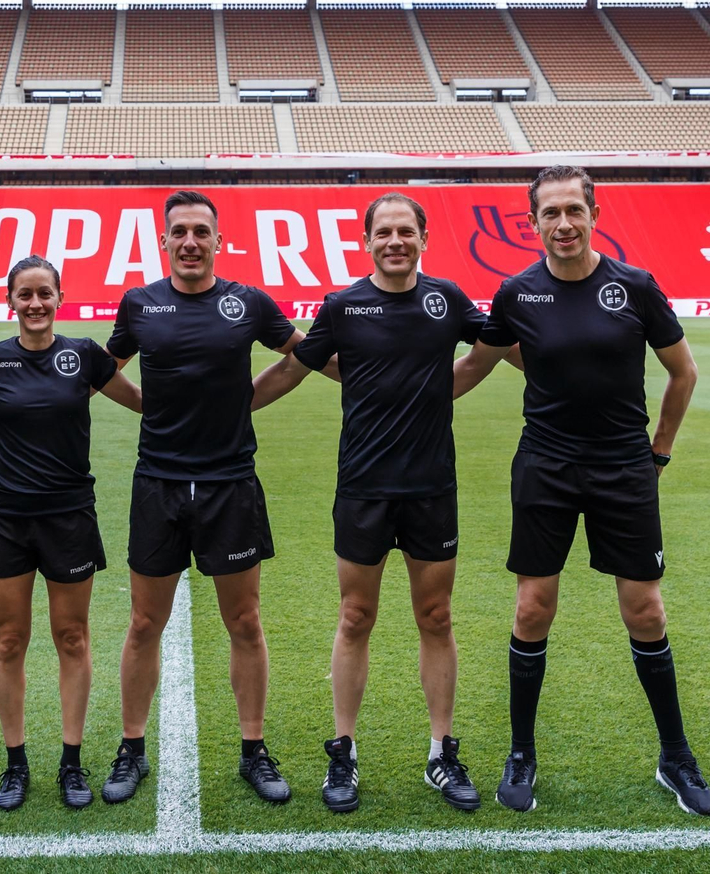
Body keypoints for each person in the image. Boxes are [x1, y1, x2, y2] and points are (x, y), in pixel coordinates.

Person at [453, 165, 710, 817]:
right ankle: (521, 753)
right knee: (532, 609)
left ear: (594, 213)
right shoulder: (518, 294)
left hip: (624, 467)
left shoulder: (635, 287)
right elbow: (472, 368)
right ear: (535, 221)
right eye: (551, 213)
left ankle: (675, 757)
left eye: (574, 210)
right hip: (545, 465)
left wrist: (659, 451)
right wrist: (393, 390)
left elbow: (682, 373)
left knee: (646, 611)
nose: (563, 224)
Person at [250, 193, 517, 814]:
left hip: (431, 487)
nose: (395, 241)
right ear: (366, 240)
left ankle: (441, 753)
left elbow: (495, 349)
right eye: (383, 232)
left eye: (406, 231)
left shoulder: (445, 299)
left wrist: (447, 389)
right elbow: (296, 368)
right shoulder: (344, 305)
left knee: (436, 617)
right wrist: (229, 409)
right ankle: (343, 751)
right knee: (355, 617)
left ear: (424, 237)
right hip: (363, 489)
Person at [102, 190, 306, 806]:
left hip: (229, 484)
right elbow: (103, 368)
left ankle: (253, 750)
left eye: (201, 232)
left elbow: (300, 357)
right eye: (179, 232)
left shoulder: (249, 303)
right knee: (144, 623)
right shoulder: (139, 304)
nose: (190, 242)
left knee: (243, 621)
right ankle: (132, 748)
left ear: (219, 241)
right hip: (158, 483)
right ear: (164, 241)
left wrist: (246, 402)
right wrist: (147, 405)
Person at [0, 255, 143, 810]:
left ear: (60, 298)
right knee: (9, 640)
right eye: (25, 295)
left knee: (72, 638)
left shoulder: (82, 355)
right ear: (10, 302)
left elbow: (143, 404)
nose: (35, 304)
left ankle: (71, 761)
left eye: (45, 294)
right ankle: (15, 763)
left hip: (69, 516)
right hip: (4, 519)